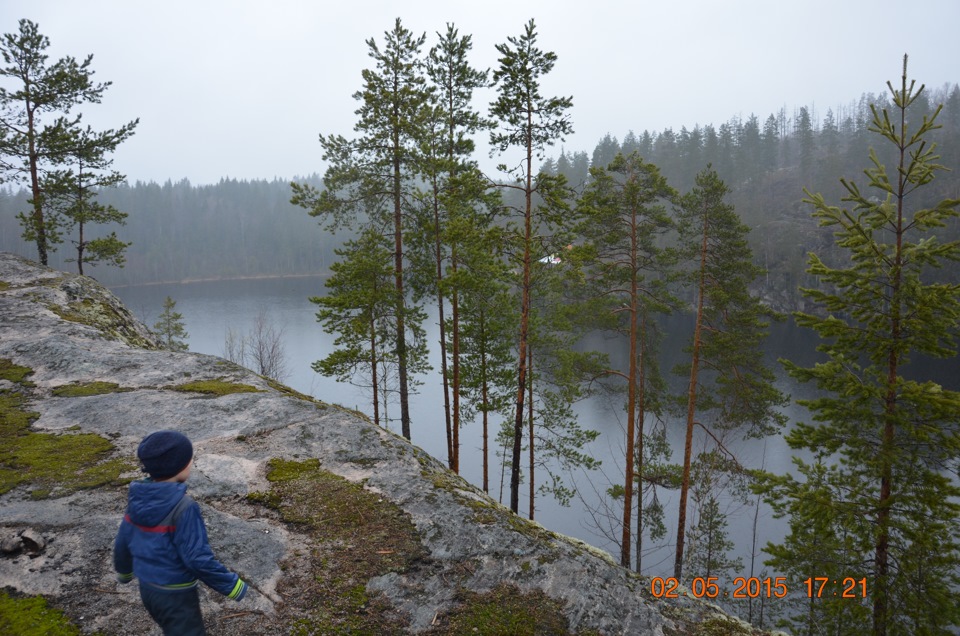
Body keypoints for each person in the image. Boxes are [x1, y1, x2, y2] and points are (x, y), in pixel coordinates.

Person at [114, 430, 247, 635]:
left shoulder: (138, 498)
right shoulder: (184, 507)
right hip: (175, 594)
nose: (192, 462)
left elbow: (123, 539)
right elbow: (196, 558)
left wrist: (124, 571)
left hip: (147, 589)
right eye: (190, 458)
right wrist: (231, 585)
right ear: (180, 467)